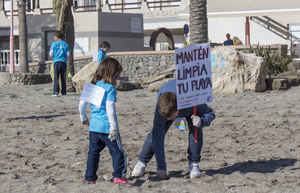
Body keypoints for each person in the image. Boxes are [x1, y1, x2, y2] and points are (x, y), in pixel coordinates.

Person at [131, 80, 215, 179]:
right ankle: (142, 162)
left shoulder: (193, 99)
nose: (168, 119)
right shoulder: (162, 107)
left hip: (190, 107)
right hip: (169, 99)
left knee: (196, 127)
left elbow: (210, 113)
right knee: (156, 132)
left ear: (178, 109)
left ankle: (194, 163)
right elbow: (157, 137)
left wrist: (202, 121)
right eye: (167, 117)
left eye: (171, 117)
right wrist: (161, 167)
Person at [78, 57, 131, 186]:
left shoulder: (93, 85)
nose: (118, 77)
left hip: (94, 127)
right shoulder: (110, 88)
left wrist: (83, 117)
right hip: (107, 127)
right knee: (117, 152)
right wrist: (113, 126)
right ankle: (119, 175)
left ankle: (90, 177)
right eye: (117, 74)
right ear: (113, 73)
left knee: (93, 153)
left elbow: (82, 103)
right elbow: (110, 108)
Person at [49, 31, 70, 96]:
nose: (54, 38)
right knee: (63, 77)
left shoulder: (54, 44)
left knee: (56, 77)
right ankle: (63, 92)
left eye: (54, 36)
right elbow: (68, 54)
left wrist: (52, 57)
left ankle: (56, 92)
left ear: (57, 37)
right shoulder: (65, 44)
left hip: (56, 62)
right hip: (63, 62)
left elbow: (51, 53)